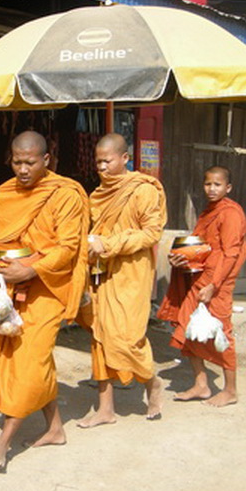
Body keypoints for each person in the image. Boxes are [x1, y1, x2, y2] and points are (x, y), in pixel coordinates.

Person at [0, 131, 89, 471]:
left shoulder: (65, 193)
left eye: (30, 162)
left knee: (28, 362)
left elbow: (68, 248)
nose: (22, 169)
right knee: (6, 357)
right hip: (4, 287)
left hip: (47, 289)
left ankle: (4, 441)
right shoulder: (1, 194)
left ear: (46, 160)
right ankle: (54, 428)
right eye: (17, 162)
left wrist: (31, 270)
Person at [77, 133, 166, 428]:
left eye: (107, 160)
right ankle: (105, 408)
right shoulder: (97, 194)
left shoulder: (143, 190)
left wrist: (110, 244)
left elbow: (152, 232)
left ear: (125, 158)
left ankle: (152, 383)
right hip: (101, 270)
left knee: (127, 336)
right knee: (100, 335)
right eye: (98, 161)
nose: (101, 167)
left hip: (132, 271)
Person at [157, 165, 246, 407]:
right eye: (208, 184)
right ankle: (201, 383)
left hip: (217, 283)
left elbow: (231, 254)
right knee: (187, 328)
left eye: (217, 184)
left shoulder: (231, 213)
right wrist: (180, 258)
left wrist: (214, 285)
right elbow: (201, 248)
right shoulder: (209, 211)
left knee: (221, 332)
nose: (212, 189)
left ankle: (230, 390)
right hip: (200, 278)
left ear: (228, 187)